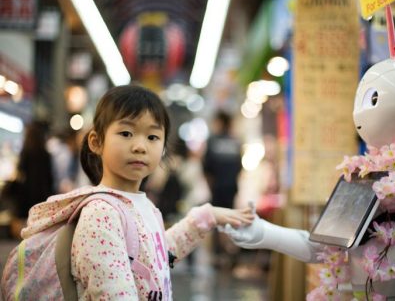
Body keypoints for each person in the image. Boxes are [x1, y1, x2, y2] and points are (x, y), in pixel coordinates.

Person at [223, 58, 395, 300]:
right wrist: (264, 233)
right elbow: (324, 246)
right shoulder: (364, 175)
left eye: (372, 99)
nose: (360, 111)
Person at [18, 85, 254, 300]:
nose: (140, 146)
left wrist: (207, 217)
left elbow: (155, 257)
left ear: (162, 148)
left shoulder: (143, 206)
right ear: (96, 142)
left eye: (152, 137)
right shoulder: (101, 214)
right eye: (126, 133)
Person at [203, 110, 243, 267]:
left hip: (217, 187)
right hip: (231, 187)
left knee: (216, 220)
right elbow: (239, 167)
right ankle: (231, 252)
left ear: (220, 122)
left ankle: (218, 254)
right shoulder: (236, 142)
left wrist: (211, 186)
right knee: (231, 219)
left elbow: (206, 168)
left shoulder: (213, 141)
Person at [6, 120, 55, 238]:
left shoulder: (25, 152)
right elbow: (50, 176)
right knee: (39, 219)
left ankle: (24, 240)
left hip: (26, 191)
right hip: (42, 192)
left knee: (25, 219)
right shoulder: (45, 153)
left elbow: (20, 171)